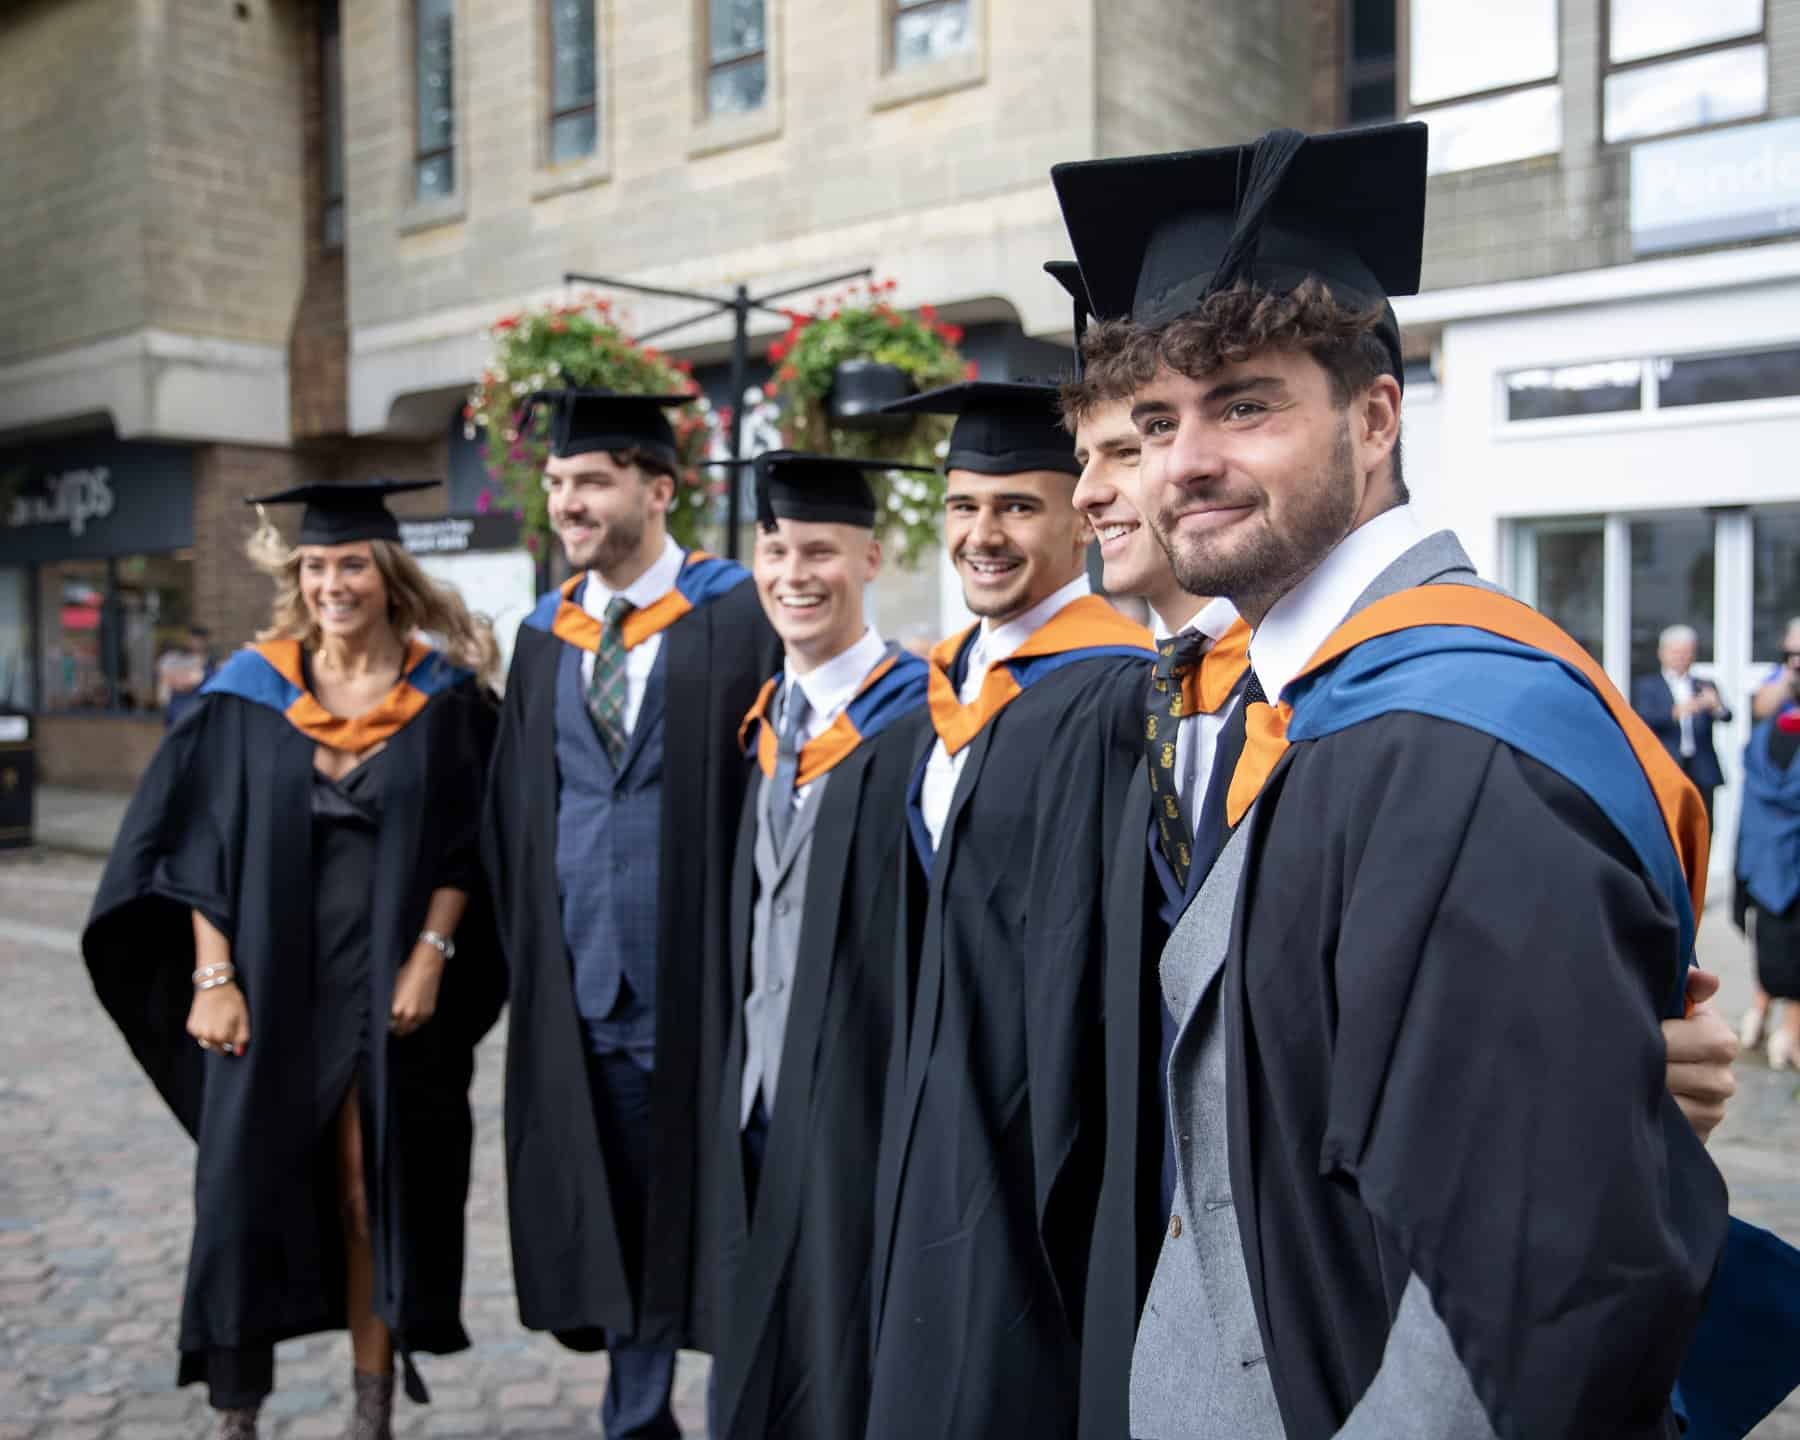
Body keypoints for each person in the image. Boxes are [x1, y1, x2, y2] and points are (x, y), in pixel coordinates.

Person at [1058, 120, 1736, 1437]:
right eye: (1155, 422)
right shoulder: (1319, 705)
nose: (1180, 461)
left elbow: (1521, 1310)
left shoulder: (1446, 739)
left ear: (1374, 417)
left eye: (1244, 404)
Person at [84, 480, 506, 1440]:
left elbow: (469, 845)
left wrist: (434, 956)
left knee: (371, 1199)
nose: (331, 583)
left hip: (385, 990)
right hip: (267, 987)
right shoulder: (245, 695)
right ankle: (240, 1415)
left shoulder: (444, 701)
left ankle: (371, 1413)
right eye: (315, 566)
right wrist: (212, 976)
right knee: (242, 1200)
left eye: (350, 563)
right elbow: (196, 848)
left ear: (388, 573)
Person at [482, 387, 779, 1439]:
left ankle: (750, 1403)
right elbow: (517, 811)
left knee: (723, 1208)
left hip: (708, 979)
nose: (569, 501)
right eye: (560, 483)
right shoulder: (544, 634)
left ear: (659, 489)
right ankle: (637, 1413)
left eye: (591, 481)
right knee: (612, 1210)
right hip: (581, 981)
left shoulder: (741, 612)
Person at [864, 380, 1156, 1440]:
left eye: (1017, 507)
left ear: (1079, 515)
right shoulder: (946, 685)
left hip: (1041, 1117)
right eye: (962, 507)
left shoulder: (1115, 689)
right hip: (938, 1096)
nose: (982, 534)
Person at [708, 451, 933, 1440]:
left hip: (864, 1102)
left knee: (849, 1345)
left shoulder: (924, 718)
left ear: (873, 556)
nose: (792, 572)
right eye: (774, 548)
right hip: (758, 1094)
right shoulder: (768, 720)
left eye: (820, 551)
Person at [1735, 705, 1800, 1070]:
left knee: (1771, 947)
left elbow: (1748, 813)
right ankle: (1789, 1037)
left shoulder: (1762, 739)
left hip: (1765, 863)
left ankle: (1756, 1017)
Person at [1634, 623, 1731, 831]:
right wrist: (1677, 712)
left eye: (1687, 652)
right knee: (1667, 826)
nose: (1681, 657)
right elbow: (1642, 719)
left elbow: (1727, 716)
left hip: (1701, 767)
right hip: (1667, 765)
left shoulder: (1704, 685)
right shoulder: (1648, 685)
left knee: (1703, 826)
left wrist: (1716, 706)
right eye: (1676, 652)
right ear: (1662, 653)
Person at [159, 624, 215, 729]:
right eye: (193, 639)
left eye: (198, 640)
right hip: (179, 712)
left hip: (199, 715)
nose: (195, 643)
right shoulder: (178, 658)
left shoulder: (211, 665)